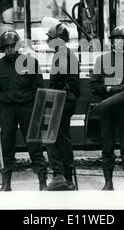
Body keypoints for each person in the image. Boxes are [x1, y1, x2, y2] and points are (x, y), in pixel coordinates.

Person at [0, 30, 48, 191]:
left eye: (12, 46)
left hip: (27, 109)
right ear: (2, 48)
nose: (9, 49)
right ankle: (6, 183)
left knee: (34, 145)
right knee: (7, 145)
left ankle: (43, 181)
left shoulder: (30, 63)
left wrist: (38, 112)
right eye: (6, 47)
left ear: (18, 46)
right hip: (6, 110)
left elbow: (39, 88)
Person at [90, 26, 124, 190]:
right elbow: (94, 84)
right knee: (107, 145)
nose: (119, 42)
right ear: (111, 41)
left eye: (122, 39)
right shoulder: (102, 60)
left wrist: (122, 94)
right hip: (107, 109)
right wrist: (111, 90)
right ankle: (108, 181)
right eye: (116, 39)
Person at [44, 23, 80, 191]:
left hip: (61, 101)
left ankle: (59, 175)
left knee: (51, 137)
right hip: (66, 101)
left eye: (50, 38)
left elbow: (59, 83)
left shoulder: (62, 55)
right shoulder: (65, 54)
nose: (47, 41)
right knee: (63, 138)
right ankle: (68, 178)